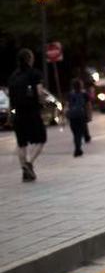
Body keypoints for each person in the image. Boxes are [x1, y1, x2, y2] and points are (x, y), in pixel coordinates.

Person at [7, 49, 48, 182]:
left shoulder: (13, 76)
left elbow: (10, 97)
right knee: (41, 138)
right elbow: (40, 92)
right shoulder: (35, 74)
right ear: (30, 59)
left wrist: (10, 114)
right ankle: (29, 164)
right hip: (32, 112)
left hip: (18, 113)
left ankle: (25, 171)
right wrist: (42, 103)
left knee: (21, 143)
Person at [66, 78, 92, 157]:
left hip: (72, 116)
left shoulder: (70, 94)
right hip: (81, 115)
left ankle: (78, 148)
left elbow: (67, 106)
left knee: (75, 133)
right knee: (79, 134)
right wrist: (89, 116)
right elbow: (88, 106)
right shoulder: (84, 94)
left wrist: (66, 115)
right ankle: (78, 149)